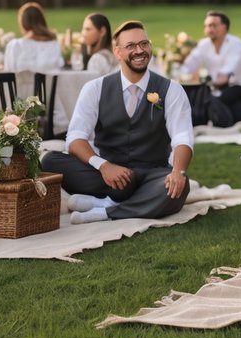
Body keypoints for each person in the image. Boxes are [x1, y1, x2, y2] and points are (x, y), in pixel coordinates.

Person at [41, 19, 193, 223]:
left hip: (152, 174)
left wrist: (178, 171)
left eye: (144, 44)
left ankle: (107, 208)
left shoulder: (171, 89)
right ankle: (127, 200)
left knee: (178, 188)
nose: (139, 50)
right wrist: (103, 166)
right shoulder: (95, 88)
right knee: (50, 160)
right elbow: (76, 137)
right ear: (117, 52)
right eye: (130, 46)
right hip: (107, 176)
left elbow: (182, 136)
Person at [182, 11, 241, 123]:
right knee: (238, 114)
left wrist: (202, 82)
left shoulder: (237, 45)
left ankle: (198, 120)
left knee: (211, 98)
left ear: (225, 27)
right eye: (207, 26)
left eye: (213, 25)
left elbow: (224, 78)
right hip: (222, 90)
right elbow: (187, 67)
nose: (209, 29)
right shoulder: (203, 45)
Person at [3, 2, 64, 73]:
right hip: (48, 84)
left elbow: (8, 73)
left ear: (23, 22)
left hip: (21, 84)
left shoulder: (15, 45)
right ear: (42, 20)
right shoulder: (53, 44)